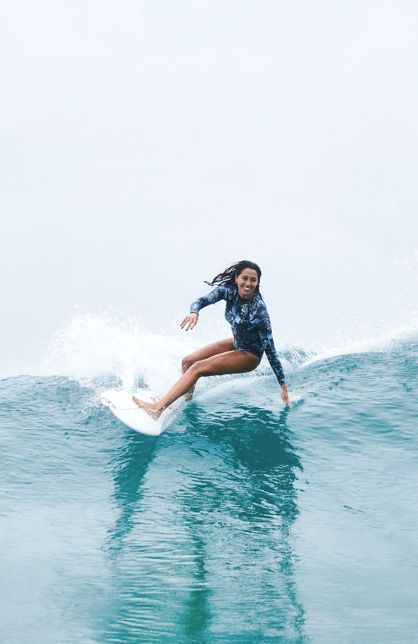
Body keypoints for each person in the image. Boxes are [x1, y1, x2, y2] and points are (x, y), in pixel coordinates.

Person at [133, 260, 290, 418]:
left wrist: (282, 386)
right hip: (236, 342)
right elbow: (201, 301)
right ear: (236, 278)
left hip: (250, 355)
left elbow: (270, 348)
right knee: (187, 362)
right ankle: (186, 401)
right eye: (245, 278)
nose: (248, 283)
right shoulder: (228, 291)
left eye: (253, 280)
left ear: (257, 283)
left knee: (197, 367)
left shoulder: (259, 309)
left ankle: (157, 409)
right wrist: (195, 312)